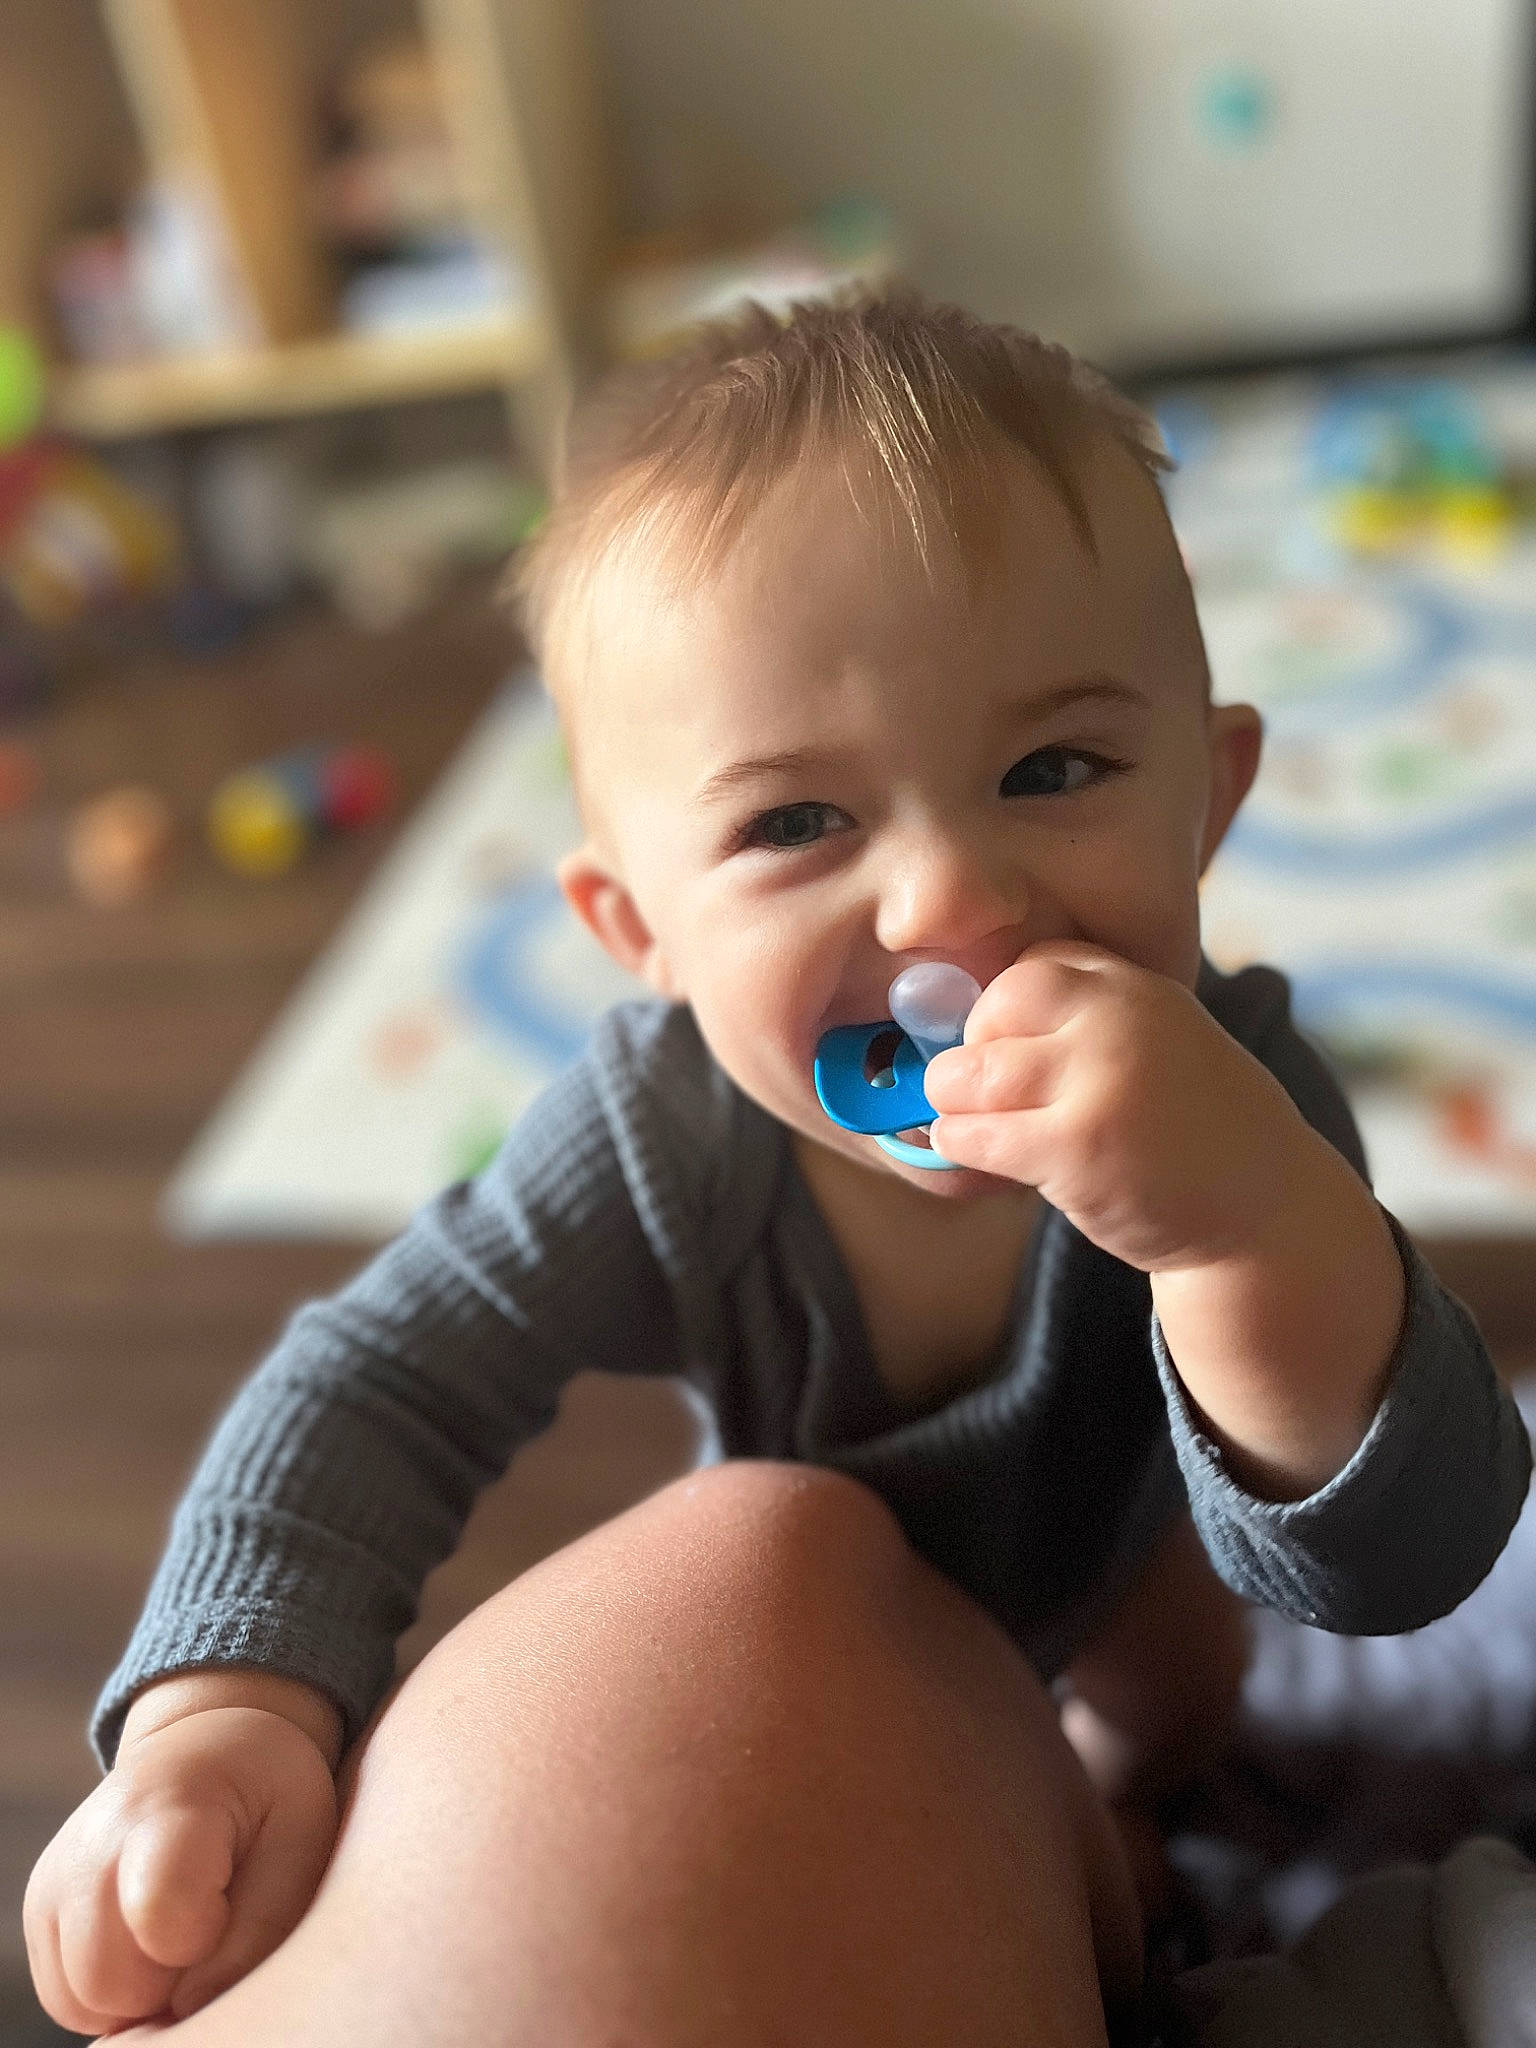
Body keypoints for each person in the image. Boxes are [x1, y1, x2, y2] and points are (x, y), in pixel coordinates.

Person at [25, 291, 1531, 2045]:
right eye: (798, 822)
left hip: (1135, 1558)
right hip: (853, 1640)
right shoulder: (667, 1142)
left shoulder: (1238, 1098)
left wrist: (1246, 1235)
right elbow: (380, 1377)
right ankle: (1046, 1849)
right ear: (636, 926)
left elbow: (1402, 1566)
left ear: (1207, 795)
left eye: (1052, 768)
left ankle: (1102, 1824)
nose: (949, 906)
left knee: (1179, 1710)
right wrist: (225, 1701)